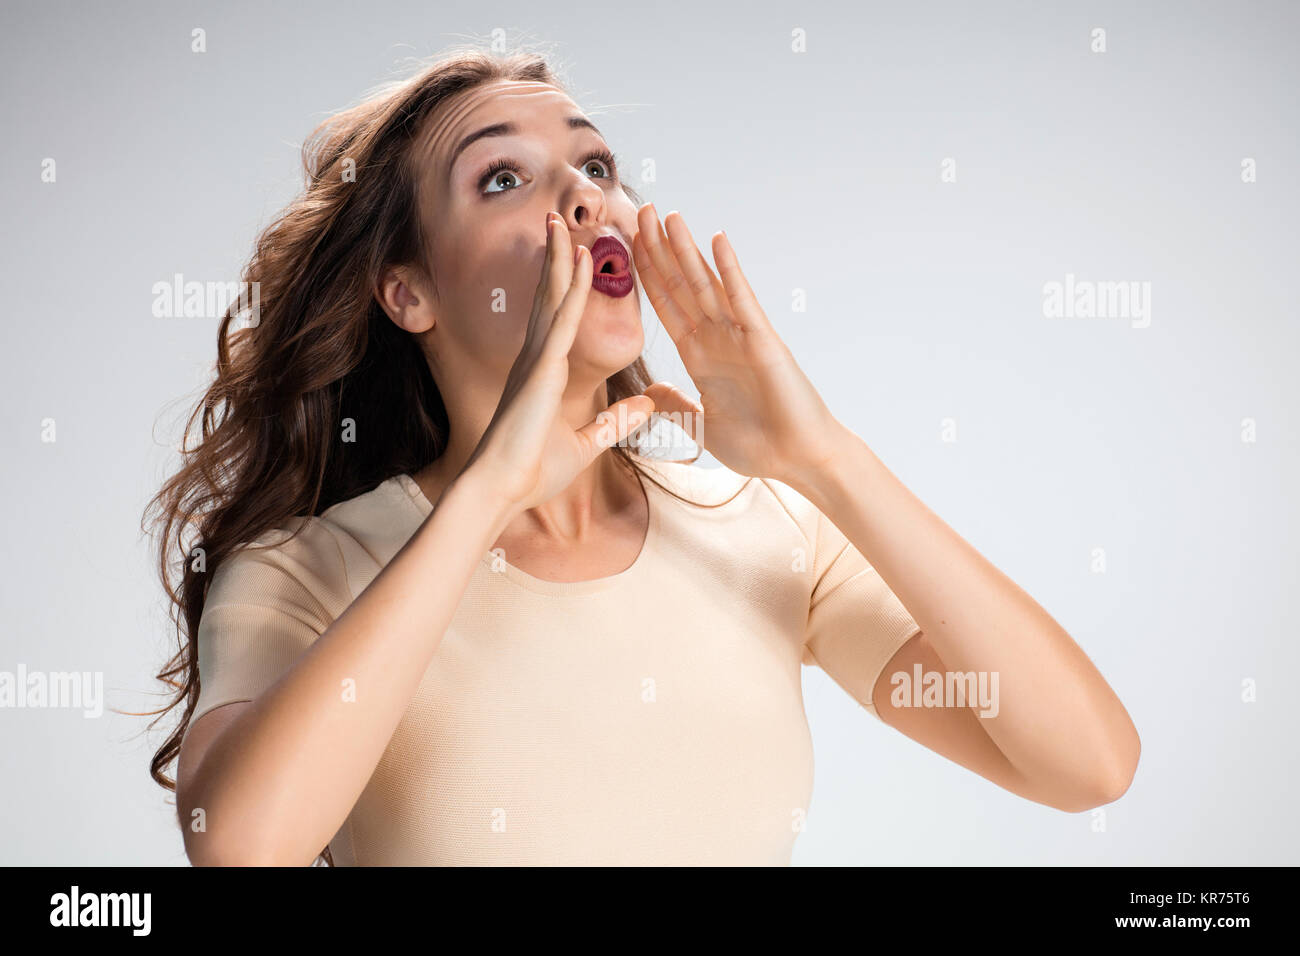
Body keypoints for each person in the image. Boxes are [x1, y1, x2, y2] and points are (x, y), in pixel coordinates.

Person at [143, 46, 1140, 866]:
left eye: (597, 167)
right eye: (502, 178)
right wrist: (484, 498)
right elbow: (241, 844)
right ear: (410, 293)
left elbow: (1086, 764)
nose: (584, 200)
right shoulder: (305, 570)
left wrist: (826, 458)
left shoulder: (764, 530)